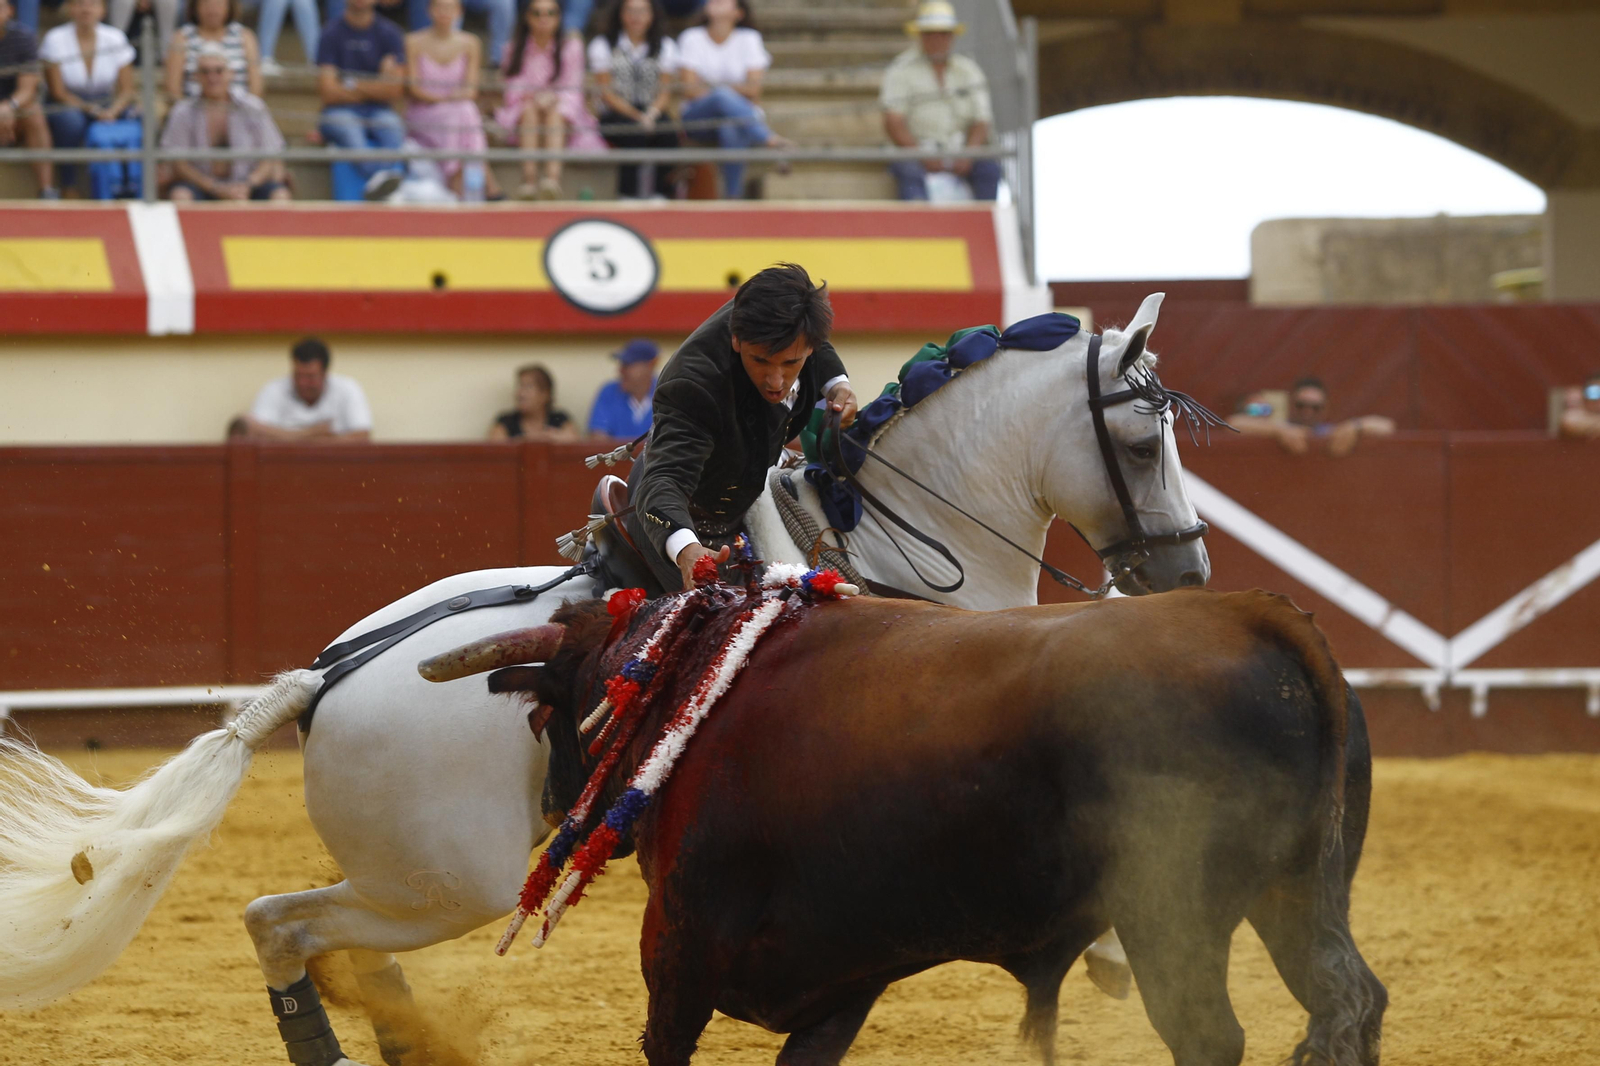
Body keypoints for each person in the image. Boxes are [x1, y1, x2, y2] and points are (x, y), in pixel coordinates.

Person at [623, 263, 858, 593]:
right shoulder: (695, 384)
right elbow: (663, 483)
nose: (776, 381)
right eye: (760, 360)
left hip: (744, 498)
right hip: (685, 513)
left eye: (791, 363)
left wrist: (837, 385)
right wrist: (687, 550)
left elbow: (816, 346)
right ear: (736, 339)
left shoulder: (795, 327)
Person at [880, 0, 999, 202]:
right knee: (908, 171)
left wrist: (968, 155)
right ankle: (919, 230)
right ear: (920, 36)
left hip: (961, 149)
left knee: (989, 170)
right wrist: (920, 155)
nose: (936, 39)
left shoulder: (969, 71)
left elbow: (982, 120)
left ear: (952, 36)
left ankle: (983, 229)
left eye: (943, 33)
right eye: (929, 33)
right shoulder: (901, 70)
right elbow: (893, 121)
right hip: (917, 151)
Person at [676, 0, 789, 199]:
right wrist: (730, 91)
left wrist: (712, 89)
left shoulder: (749, 38)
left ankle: (732, 199)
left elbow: (754, 90)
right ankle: (767, 138)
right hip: (698, 119)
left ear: (738, 12)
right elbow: (690, 91)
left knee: (730, 124)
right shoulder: (691, 38)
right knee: (721, 96)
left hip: (739, 120)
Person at [496, 0, 602, 200]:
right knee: (528, 110)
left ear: (559, 17)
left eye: (550, 13)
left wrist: (551, 98)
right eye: (537, 13)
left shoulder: (572, 47)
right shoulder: (513, 48)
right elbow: (511, 91)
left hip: (563, 113)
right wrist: (537, 98)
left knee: (556, 112)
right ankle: (529, 182)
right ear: (527, 17)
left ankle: (551, 181)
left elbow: (573, 89)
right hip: (524, 113)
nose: (544, 18)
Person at [40, 0, 140, 199]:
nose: (86, 9)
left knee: (139, 117)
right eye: (79, 4)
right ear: (69, 8)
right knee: (70, 121)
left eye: (92, 4)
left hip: (107, 102)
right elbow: (58, 92)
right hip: (68, 102)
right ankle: (69, 183)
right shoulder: (55, 38)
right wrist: (93, 110)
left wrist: (113, 110)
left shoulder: (115, 37)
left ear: (102, 10)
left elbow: (127, 90)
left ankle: (133, 184)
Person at [161, 43, 288, 200]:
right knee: (181, 195)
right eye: (205, 71)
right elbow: (178, 163)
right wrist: (214, 187)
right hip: (201, 185)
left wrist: (247, 185)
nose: (212, 77)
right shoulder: (182, 111)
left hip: (249, 184)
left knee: (280, 195)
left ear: (230, 74)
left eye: (218, 71)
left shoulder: (253, 107)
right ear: (196, 76)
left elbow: (270, 156)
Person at [404, 0, 501, 198]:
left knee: (464, 111)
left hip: (457, 112)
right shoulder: (413, 42)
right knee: (463, 112)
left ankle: (457, 182)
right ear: (429, 10)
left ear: (459, 12)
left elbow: (471, 90)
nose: (444, 12)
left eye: (449, 8)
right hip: (424, 112)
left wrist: (448, 99)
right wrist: (447, 98)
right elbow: (414, 89)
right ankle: (488, 185)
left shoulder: (471, 43)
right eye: (439, 7)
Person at [317, 0, 407, 201]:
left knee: (393, 128)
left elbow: (395, 90)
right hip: (339, 111)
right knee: (351, 132)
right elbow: (328, 92)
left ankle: (378, 183)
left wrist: (350, 84)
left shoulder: (391, 33)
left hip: (379, 111)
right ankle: (380, 180)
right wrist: (377, 84)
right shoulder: (330, 32)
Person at [589, 0, 677, 200]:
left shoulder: (666, 45)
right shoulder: (603, 44)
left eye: (642, 11)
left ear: (652, 15)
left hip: (651, 109)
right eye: (630, 10)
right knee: (632, 133)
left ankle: (661, 193)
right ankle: (627, 194)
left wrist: (652, 113)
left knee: (667, 133)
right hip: (615, 112)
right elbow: (607, 93)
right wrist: (637, 116)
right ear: (621, 14)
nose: (636, 16)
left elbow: (665, 91)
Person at [243, 337, 373, 441]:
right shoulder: (273, 390)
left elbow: (362, 435)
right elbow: (255, 433)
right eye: (298, 375)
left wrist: (286, 437)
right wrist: (314, 433)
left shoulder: (348, 388)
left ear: (325, 374)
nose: (302, 383)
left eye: (310, 377)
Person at [1233, 377, 1394, 458]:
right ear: (1291, 404)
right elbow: (1234, 423)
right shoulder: (1279, 426)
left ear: (1325, 409)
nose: (1307, 411)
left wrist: (1356, 426)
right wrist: (1279, 430)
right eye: (1301, 405)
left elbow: (1387, 426)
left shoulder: (1332, 430)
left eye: (1315, 407)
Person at [0, 0, 56, 197]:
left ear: (10, 11)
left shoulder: (23, 37)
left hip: (16, 112)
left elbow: (28, 88)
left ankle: (47, 190)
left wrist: (9, 108)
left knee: (33, 112)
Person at [163, 0, 261, 100]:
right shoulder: (181, 37)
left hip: (239, 110)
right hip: (192, 111)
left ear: (229, 6)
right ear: (195, 6)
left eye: (218, 4)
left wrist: (245, 111)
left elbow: (256, 87)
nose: (212, 9)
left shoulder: (245, 37)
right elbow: (173, 89)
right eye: (206, 3)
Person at [488, 363, 581, 442]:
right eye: (520, 386)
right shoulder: (506, 421)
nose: (520, 393)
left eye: (528, 387)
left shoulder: (560, 419)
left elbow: (574, 442)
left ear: (545, 394)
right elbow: (495, 448)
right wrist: (537, 439)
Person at [587, 337, 658, 440]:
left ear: (651, 364)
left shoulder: (667, 394)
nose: (620, 371)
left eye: (628, 365)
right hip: (617, 456)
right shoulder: (609, 392)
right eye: (621, 365)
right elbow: (598, 439)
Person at [1558, 371, 1600, 440]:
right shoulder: (1573, 416)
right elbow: (1569, 422)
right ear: (1584, 395)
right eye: (1593, 392)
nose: (1598, 398)